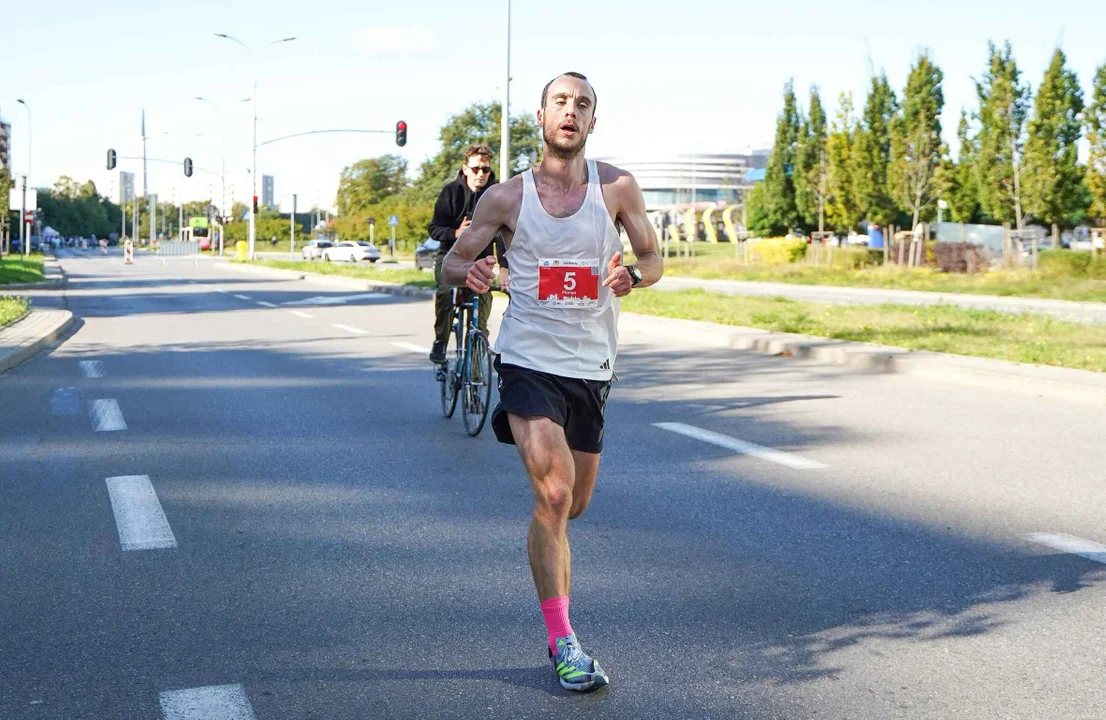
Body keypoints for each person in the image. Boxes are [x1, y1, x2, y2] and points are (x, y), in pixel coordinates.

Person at [442, 72, 662, 693]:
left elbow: (654, 259)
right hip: (528, 359)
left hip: (591, 366)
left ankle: (554, 583)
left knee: (575, 504)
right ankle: (564, 642)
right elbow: (450, 263)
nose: (571, 112)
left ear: (593, 122)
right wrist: (472, 273)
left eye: (582, 105)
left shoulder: (617, 188)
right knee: (557, 494)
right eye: (560, 102)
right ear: (540, 119)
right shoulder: (505, 200)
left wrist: (633, 278)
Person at [428, 144, 509, 364]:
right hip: (450, 258)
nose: (481, 174)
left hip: (481, 262)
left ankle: (474, 371)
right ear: (465, 169)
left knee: (483, 301)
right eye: (476, 169)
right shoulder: (450, 192)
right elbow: (434, 228)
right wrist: (455, 233)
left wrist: (504, 267)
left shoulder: (496, 195)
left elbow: (503, 234)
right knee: (445, 293)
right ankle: (441, 341)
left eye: (485, 170)